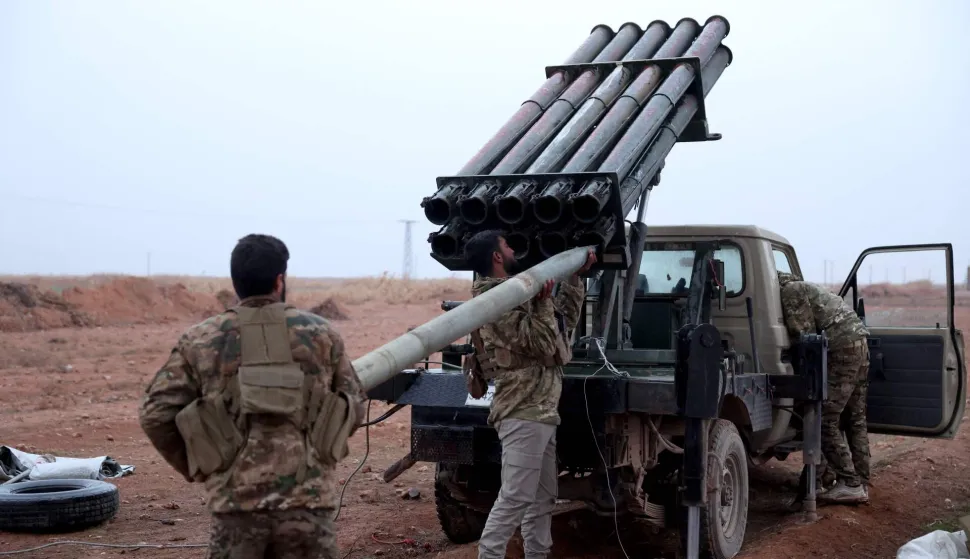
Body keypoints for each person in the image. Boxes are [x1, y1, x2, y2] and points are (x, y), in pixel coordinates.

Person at [138, 234, 366, 559]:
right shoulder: (321, 334)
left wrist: (200, 464)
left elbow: (155, 414)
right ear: (279, 280)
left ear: (236, 283)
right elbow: (354, 403)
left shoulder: (200, 340)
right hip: (308, 506)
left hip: (235, 507)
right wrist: (321, 446)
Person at [463, 230, 595, 559]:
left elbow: (559, 327)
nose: (512, 250)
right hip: (523, 411)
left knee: (541, 500)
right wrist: (543, 303)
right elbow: (542, 342)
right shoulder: (494, 302)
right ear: (496, 257)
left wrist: (575, 281)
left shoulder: (516, 292)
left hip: (541, 411)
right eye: (506, 246)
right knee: (516, 499)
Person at [777, 271, 871, 505]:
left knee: (823, 418)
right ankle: (859, 480)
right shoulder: (807, 287)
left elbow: (805, 336)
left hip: (842, 349)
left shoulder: (791, 292)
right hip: (859, 345)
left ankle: (850, 483)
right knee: (854, 417)